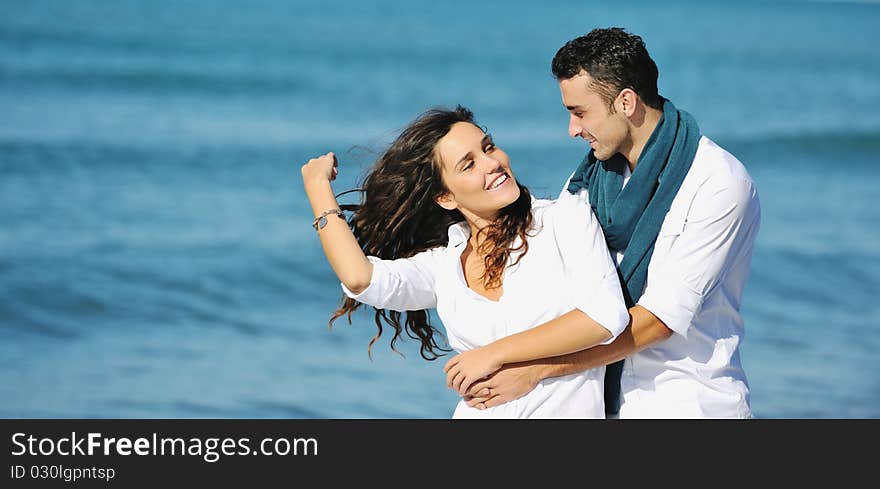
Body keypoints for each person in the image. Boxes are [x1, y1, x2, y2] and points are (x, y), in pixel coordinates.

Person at [461, 27, 762, 418]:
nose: (572, 130)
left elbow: (657, 322)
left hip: (685, 403)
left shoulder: (717, 182)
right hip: (596, 403)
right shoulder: (588, 181)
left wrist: (534, 369)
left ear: (625, 102)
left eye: (580, 113)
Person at [300, 106, 629, 418]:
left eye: (489, 148)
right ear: (446, 197)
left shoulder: (563, 219)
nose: (492, 163)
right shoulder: (444, 265)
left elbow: (603, 317)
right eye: (468, 164)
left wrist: (493, 354)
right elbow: (361, 278)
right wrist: (318, 190)